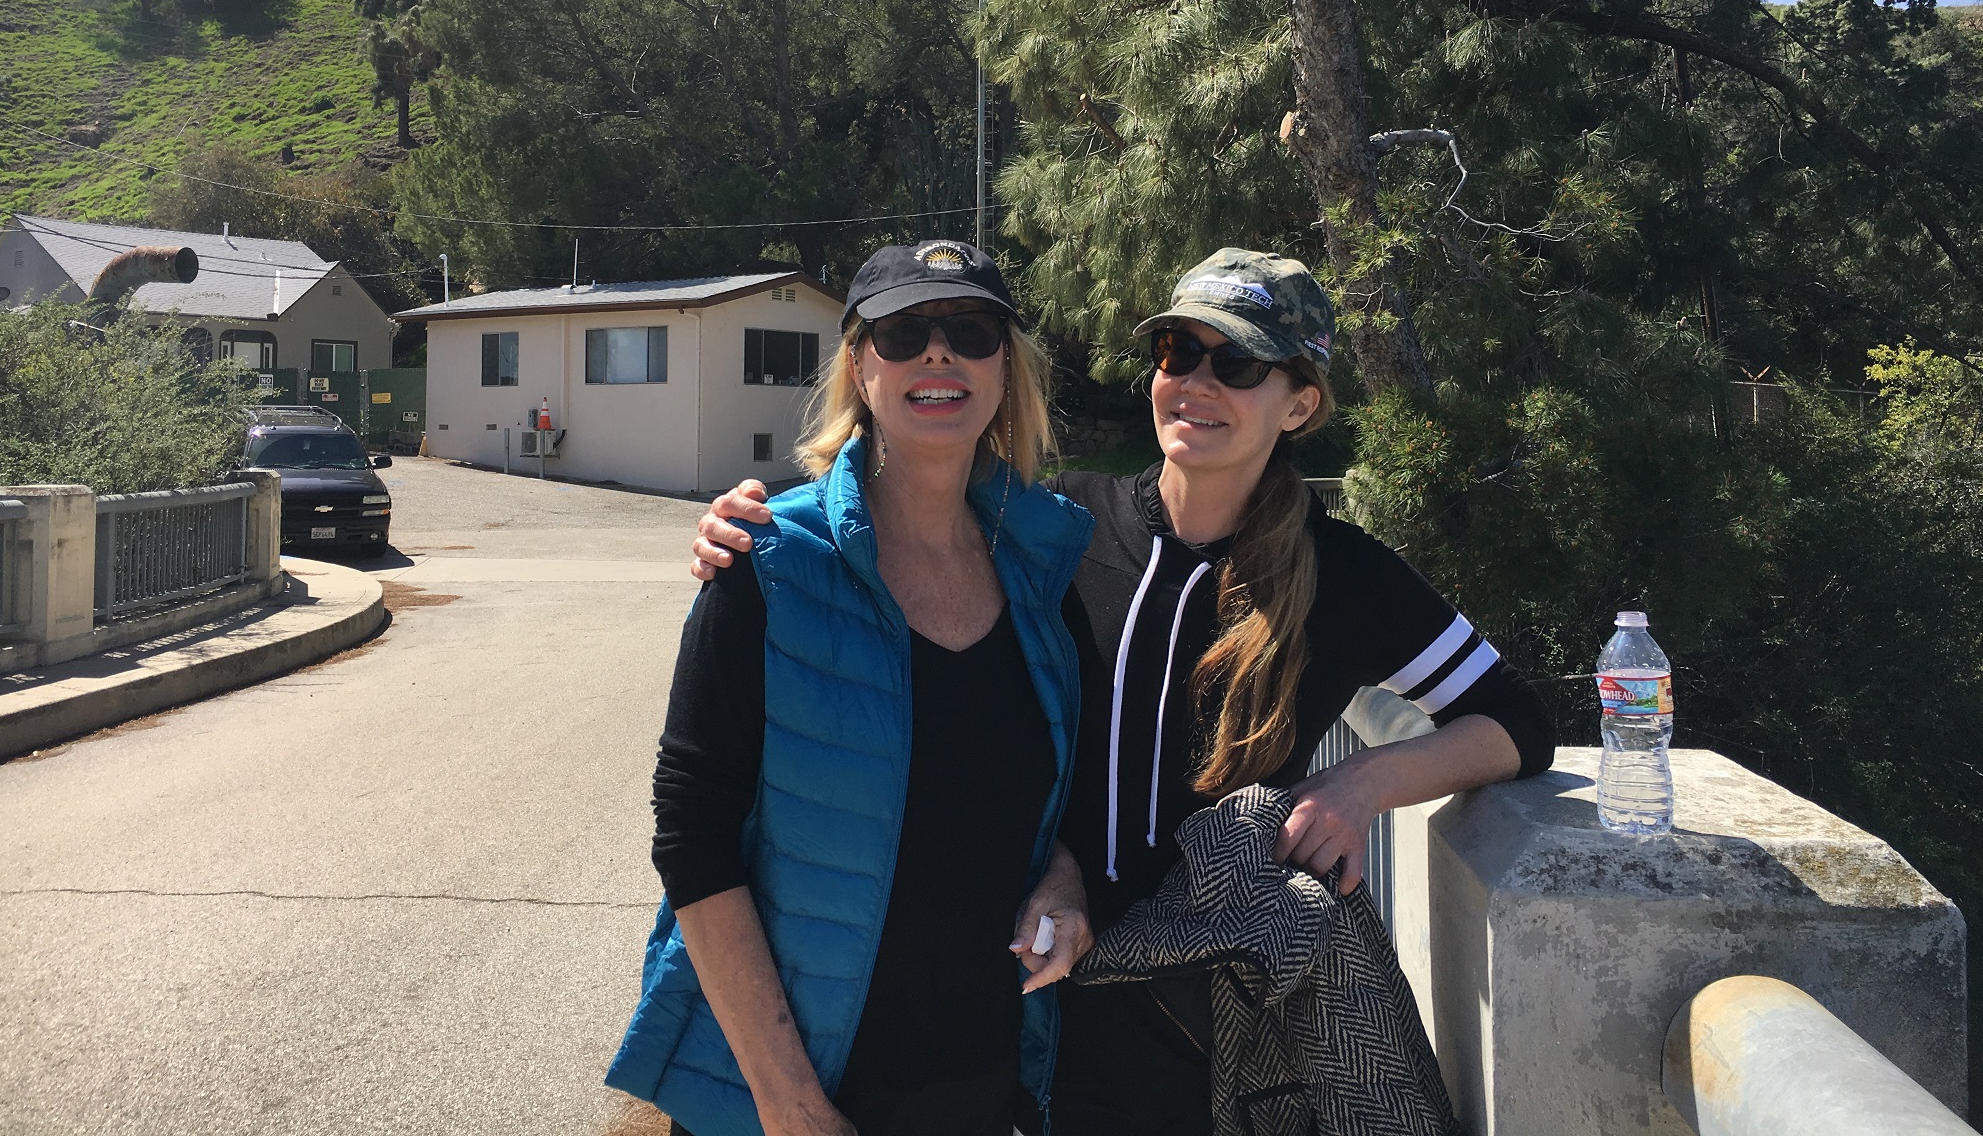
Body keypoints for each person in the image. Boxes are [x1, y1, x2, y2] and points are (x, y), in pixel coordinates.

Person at [690, 249, 1556, 1136]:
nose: (1197, 383)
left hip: (1208, 1015)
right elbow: (904, 520)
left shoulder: (1348, 578)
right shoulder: (1056, 527)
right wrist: (750, 529)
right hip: (1033, 992)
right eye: (1178, 353)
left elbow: (1519, 722)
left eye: (1239, 364)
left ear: (1300, 403)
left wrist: (1362, 783)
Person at [607, 240, 1098, 1136]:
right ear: (860, 368)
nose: (938, 353)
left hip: (981, 1083)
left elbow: (1068, 801)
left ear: (1005, 373)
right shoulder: (770, 563)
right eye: (904, 332)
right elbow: (692, 834)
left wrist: (1065, 886)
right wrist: (787, 1101)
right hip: (798, 1095)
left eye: (971, 331)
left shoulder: (1045, 569)